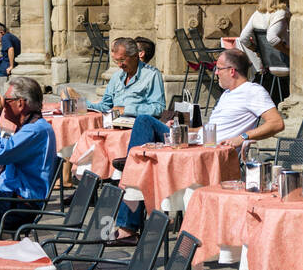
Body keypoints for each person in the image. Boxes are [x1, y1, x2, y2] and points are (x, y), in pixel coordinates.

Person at [112, 48, 285, 239]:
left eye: (218, 68)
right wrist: (182, 129)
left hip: (212, 153)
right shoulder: (228, 94)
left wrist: (243, 137)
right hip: (199, 142)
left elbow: (277, 123)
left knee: (143, 127)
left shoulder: (253, 91)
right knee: (144, 143)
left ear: (232, 71)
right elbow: (210, 130)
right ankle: (130, 167)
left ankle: (128, 177)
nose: (216, 73)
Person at [0, 77, 57, 235]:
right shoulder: (28, 127)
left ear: (20, 103)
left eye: (6, 100)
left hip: (19, 204)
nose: (3, 106)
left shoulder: (35, 130)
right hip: (6, 197)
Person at [87, 37, 166, 118]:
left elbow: (159, 108)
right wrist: (82, 103)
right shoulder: (116, 76)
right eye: (116, 61)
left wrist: (127, 110)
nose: (119, 65)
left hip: (136, 124)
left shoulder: (152, 75)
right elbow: (105, 106)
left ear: (135, 56)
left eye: (122, 60)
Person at [238, 0, 291, 75]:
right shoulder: (281, 13)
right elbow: (271, 38)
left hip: (267, 65)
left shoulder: (257, 14)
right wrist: (289, 52)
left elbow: (243, 38)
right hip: (286, 64)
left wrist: (257, 50)